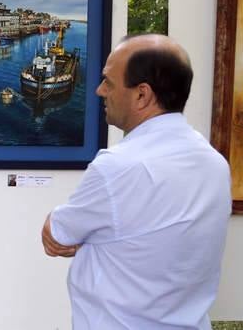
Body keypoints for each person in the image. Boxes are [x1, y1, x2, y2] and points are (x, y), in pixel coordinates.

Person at [41, 34, 231, 330]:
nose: (98, 90)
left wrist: (88, 238)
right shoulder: (216, 165)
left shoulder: (116, 167)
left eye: (109, 82)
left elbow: (56, 235)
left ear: (142, 95)